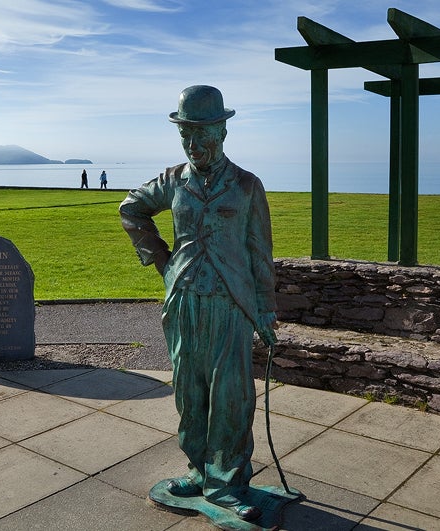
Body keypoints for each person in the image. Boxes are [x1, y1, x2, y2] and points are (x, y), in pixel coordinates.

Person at [119, 85, 276, 522]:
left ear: (222, 130)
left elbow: (260, 251)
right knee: (189, 391)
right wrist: (163, 261)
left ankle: (227, 482)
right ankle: (198, 468)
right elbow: (131, 209)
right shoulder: (173, 180)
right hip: (185, 299)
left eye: (201, 133)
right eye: (186, 134)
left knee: (231, 396)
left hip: (230, 304)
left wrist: (265, 309)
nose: (193, 144)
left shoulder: (246, 185)